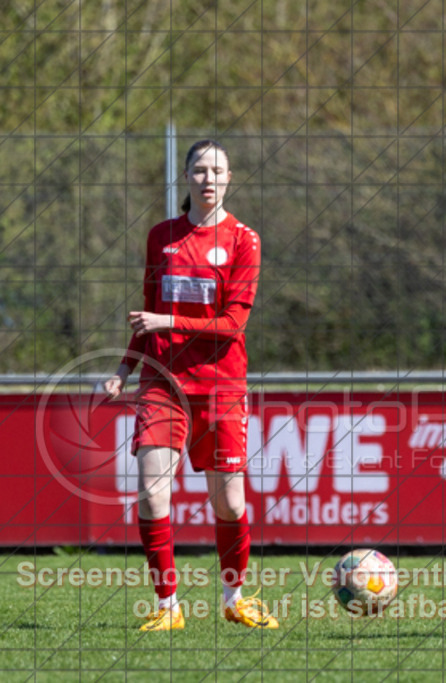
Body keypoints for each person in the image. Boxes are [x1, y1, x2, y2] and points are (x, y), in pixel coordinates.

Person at [103, 139, 276, 632]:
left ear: (230, 178)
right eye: (199, 169)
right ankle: (167, 608)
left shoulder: (245, 240)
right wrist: (123, 370)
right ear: (186, 176)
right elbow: (145, 319)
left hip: (220, 388)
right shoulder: (161, 236)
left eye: (217, 170)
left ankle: (234, 597)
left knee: (230, 504)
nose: (208, 179)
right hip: (162, 384)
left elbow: (233, 325)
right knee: (154, 496)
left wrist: (167, 319)